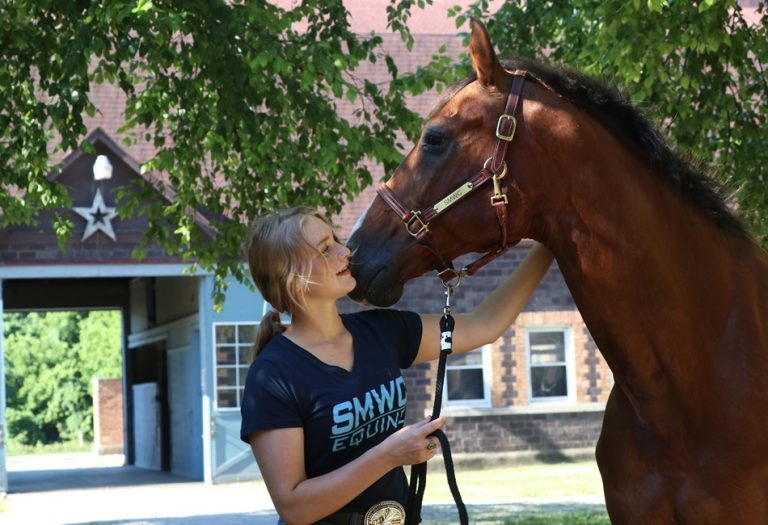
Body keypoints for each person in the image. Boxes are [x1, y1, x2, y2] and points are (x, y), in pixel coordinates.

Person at [240, 206, 554, 525]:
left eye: (335, 240)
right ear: (293, 277)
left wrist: (549, 243)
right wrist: (389, 455)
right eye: (325, 249)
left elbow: (486, 324)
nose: (345, 251)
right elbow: (294, 507)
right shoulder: (272, 375)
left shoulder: (382, 331)